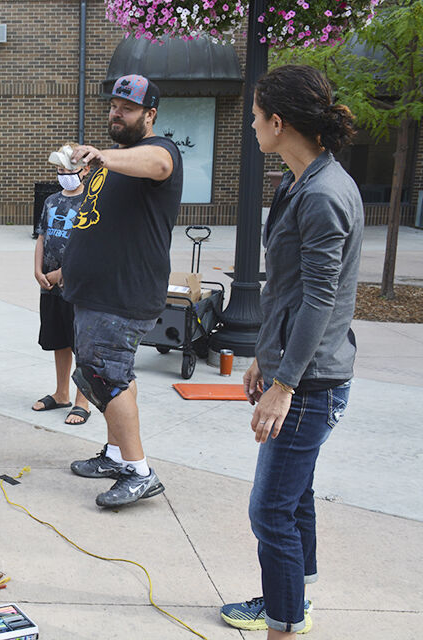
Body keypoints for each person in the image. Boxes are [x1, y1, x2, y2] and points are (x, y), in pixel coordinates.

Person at [220, 64, 363, 639]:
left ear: (278, 123)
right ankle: (292, 599)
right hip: (299, 371)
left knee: (269, 510)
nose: (252, 128)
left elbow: (320, 302)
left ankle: (284, 620)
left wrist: (284, 386)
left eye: (256, 118)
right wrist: (262, 355)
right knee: (293, 495)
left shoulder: (324, 195)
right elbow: (287, 290)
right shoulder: (299, 181)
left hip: (310, 384)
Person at [63, 74, 182, 508]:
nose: (117, 113)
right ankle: (116, 455)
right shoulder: (115, 162)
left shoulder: (158, 152)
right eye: (114, 106)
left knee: (105, 376)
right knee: (109, 376)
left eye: (128, 108)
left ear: (149, 114)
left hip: (123, 295)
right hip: (96, 292)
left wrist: (104, 157)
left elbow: (159, 164)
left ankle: (139, 471)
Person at [32, 145, 92, 425]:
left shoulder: (91, 202)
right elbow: (42, 237)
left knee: (79, 342)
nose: (64, 175)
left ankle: (83, 401)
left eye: (70, 170)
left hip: (76, 286)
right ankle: (61, 393)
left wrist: (63, 273)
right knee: (59, 340)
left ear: (85, 170)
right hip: (49, 285)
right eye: (60, 170)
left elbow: (89, 248)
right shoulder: (51, 201)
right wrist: (38, 270)